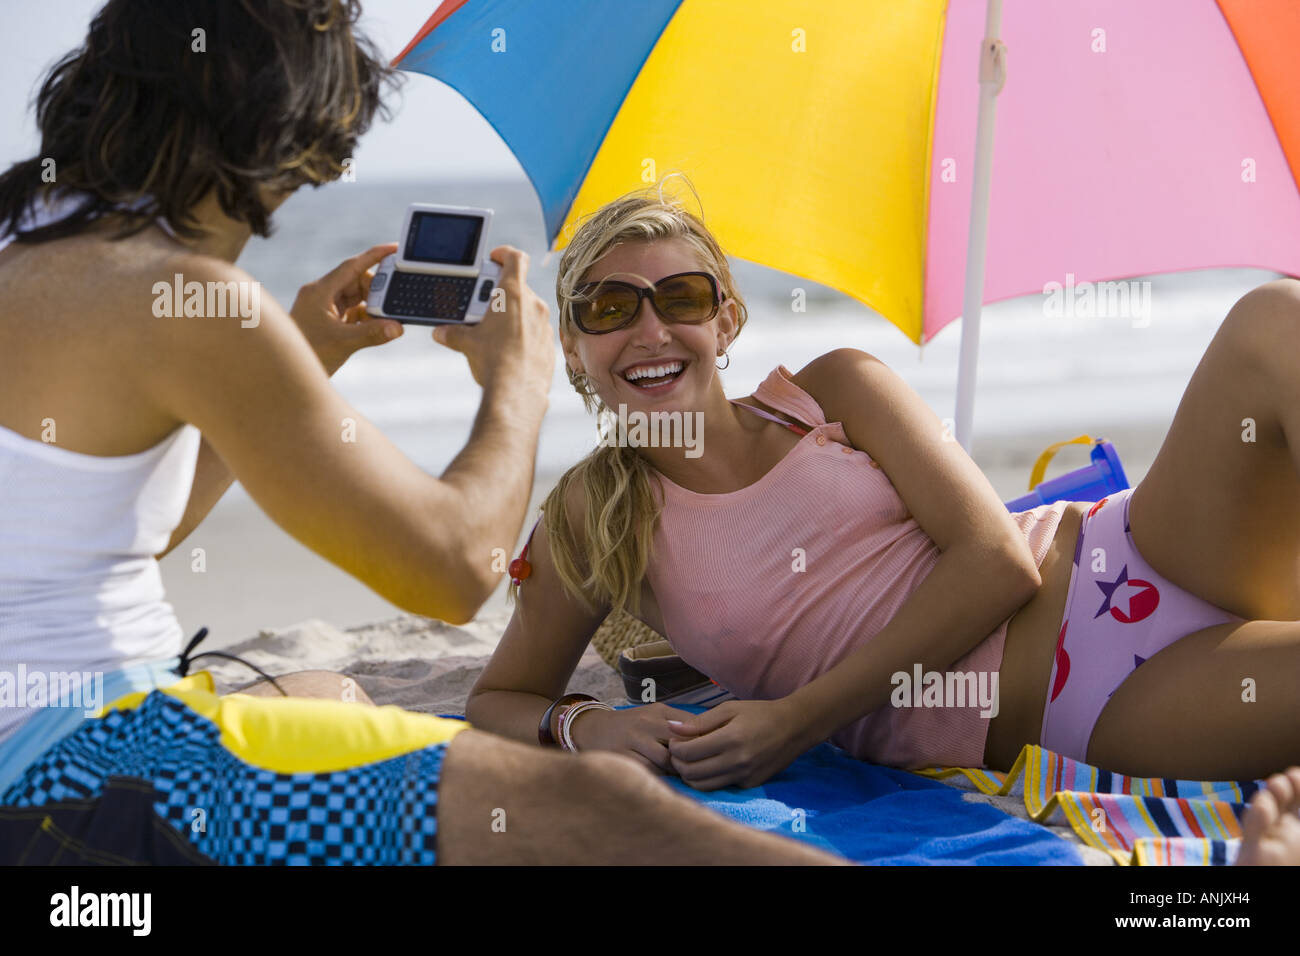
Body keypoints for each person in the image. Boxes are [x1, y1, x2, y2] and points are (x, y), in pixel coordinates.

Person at [0, 0, 858, 867]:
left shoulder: (31, 251)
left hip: (46, 736)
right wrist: (515, 383)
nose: (318, 186)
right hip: (85, 773)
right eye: (319, 161)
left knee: (332, 691)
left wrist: (296, 355)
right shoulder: (177, 294)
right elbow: (453, 573)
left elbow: (126, 533)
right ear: (271, 131)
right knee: (605, 809)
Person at [467, 182, 1300, 805]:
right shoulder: (590, 520)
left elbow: (999, 561)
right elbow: (499, 700)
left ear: (725, 321)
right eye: (610, 308)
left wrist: (797, 720)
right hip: (1082, 700)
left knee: (1272, 317)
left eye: (680, 298)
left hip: (1129, 549)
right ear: (573, 347)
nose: (650, 332)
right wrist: (588, 725)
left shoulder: (836, 389)